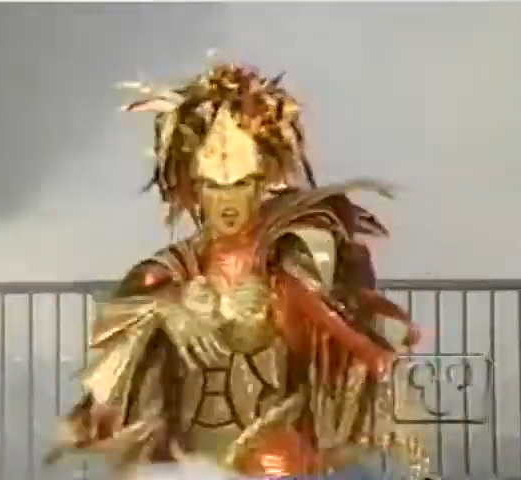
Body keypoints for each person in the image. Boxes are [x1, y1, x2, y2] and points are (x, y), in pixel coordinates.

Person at [44, 61, 429, 479]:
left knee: (275, 462)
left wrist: (382, 376)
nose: (227, 203)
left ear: (261, 184)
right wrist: (164, 311)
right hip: (188, 452)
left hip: (270, 446)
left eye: (240, 185)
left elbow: (344, 332)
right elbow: (120, 329)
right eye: (214, 187)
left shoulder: (286, 264)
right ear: (194, 188)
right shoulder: (168, 272)